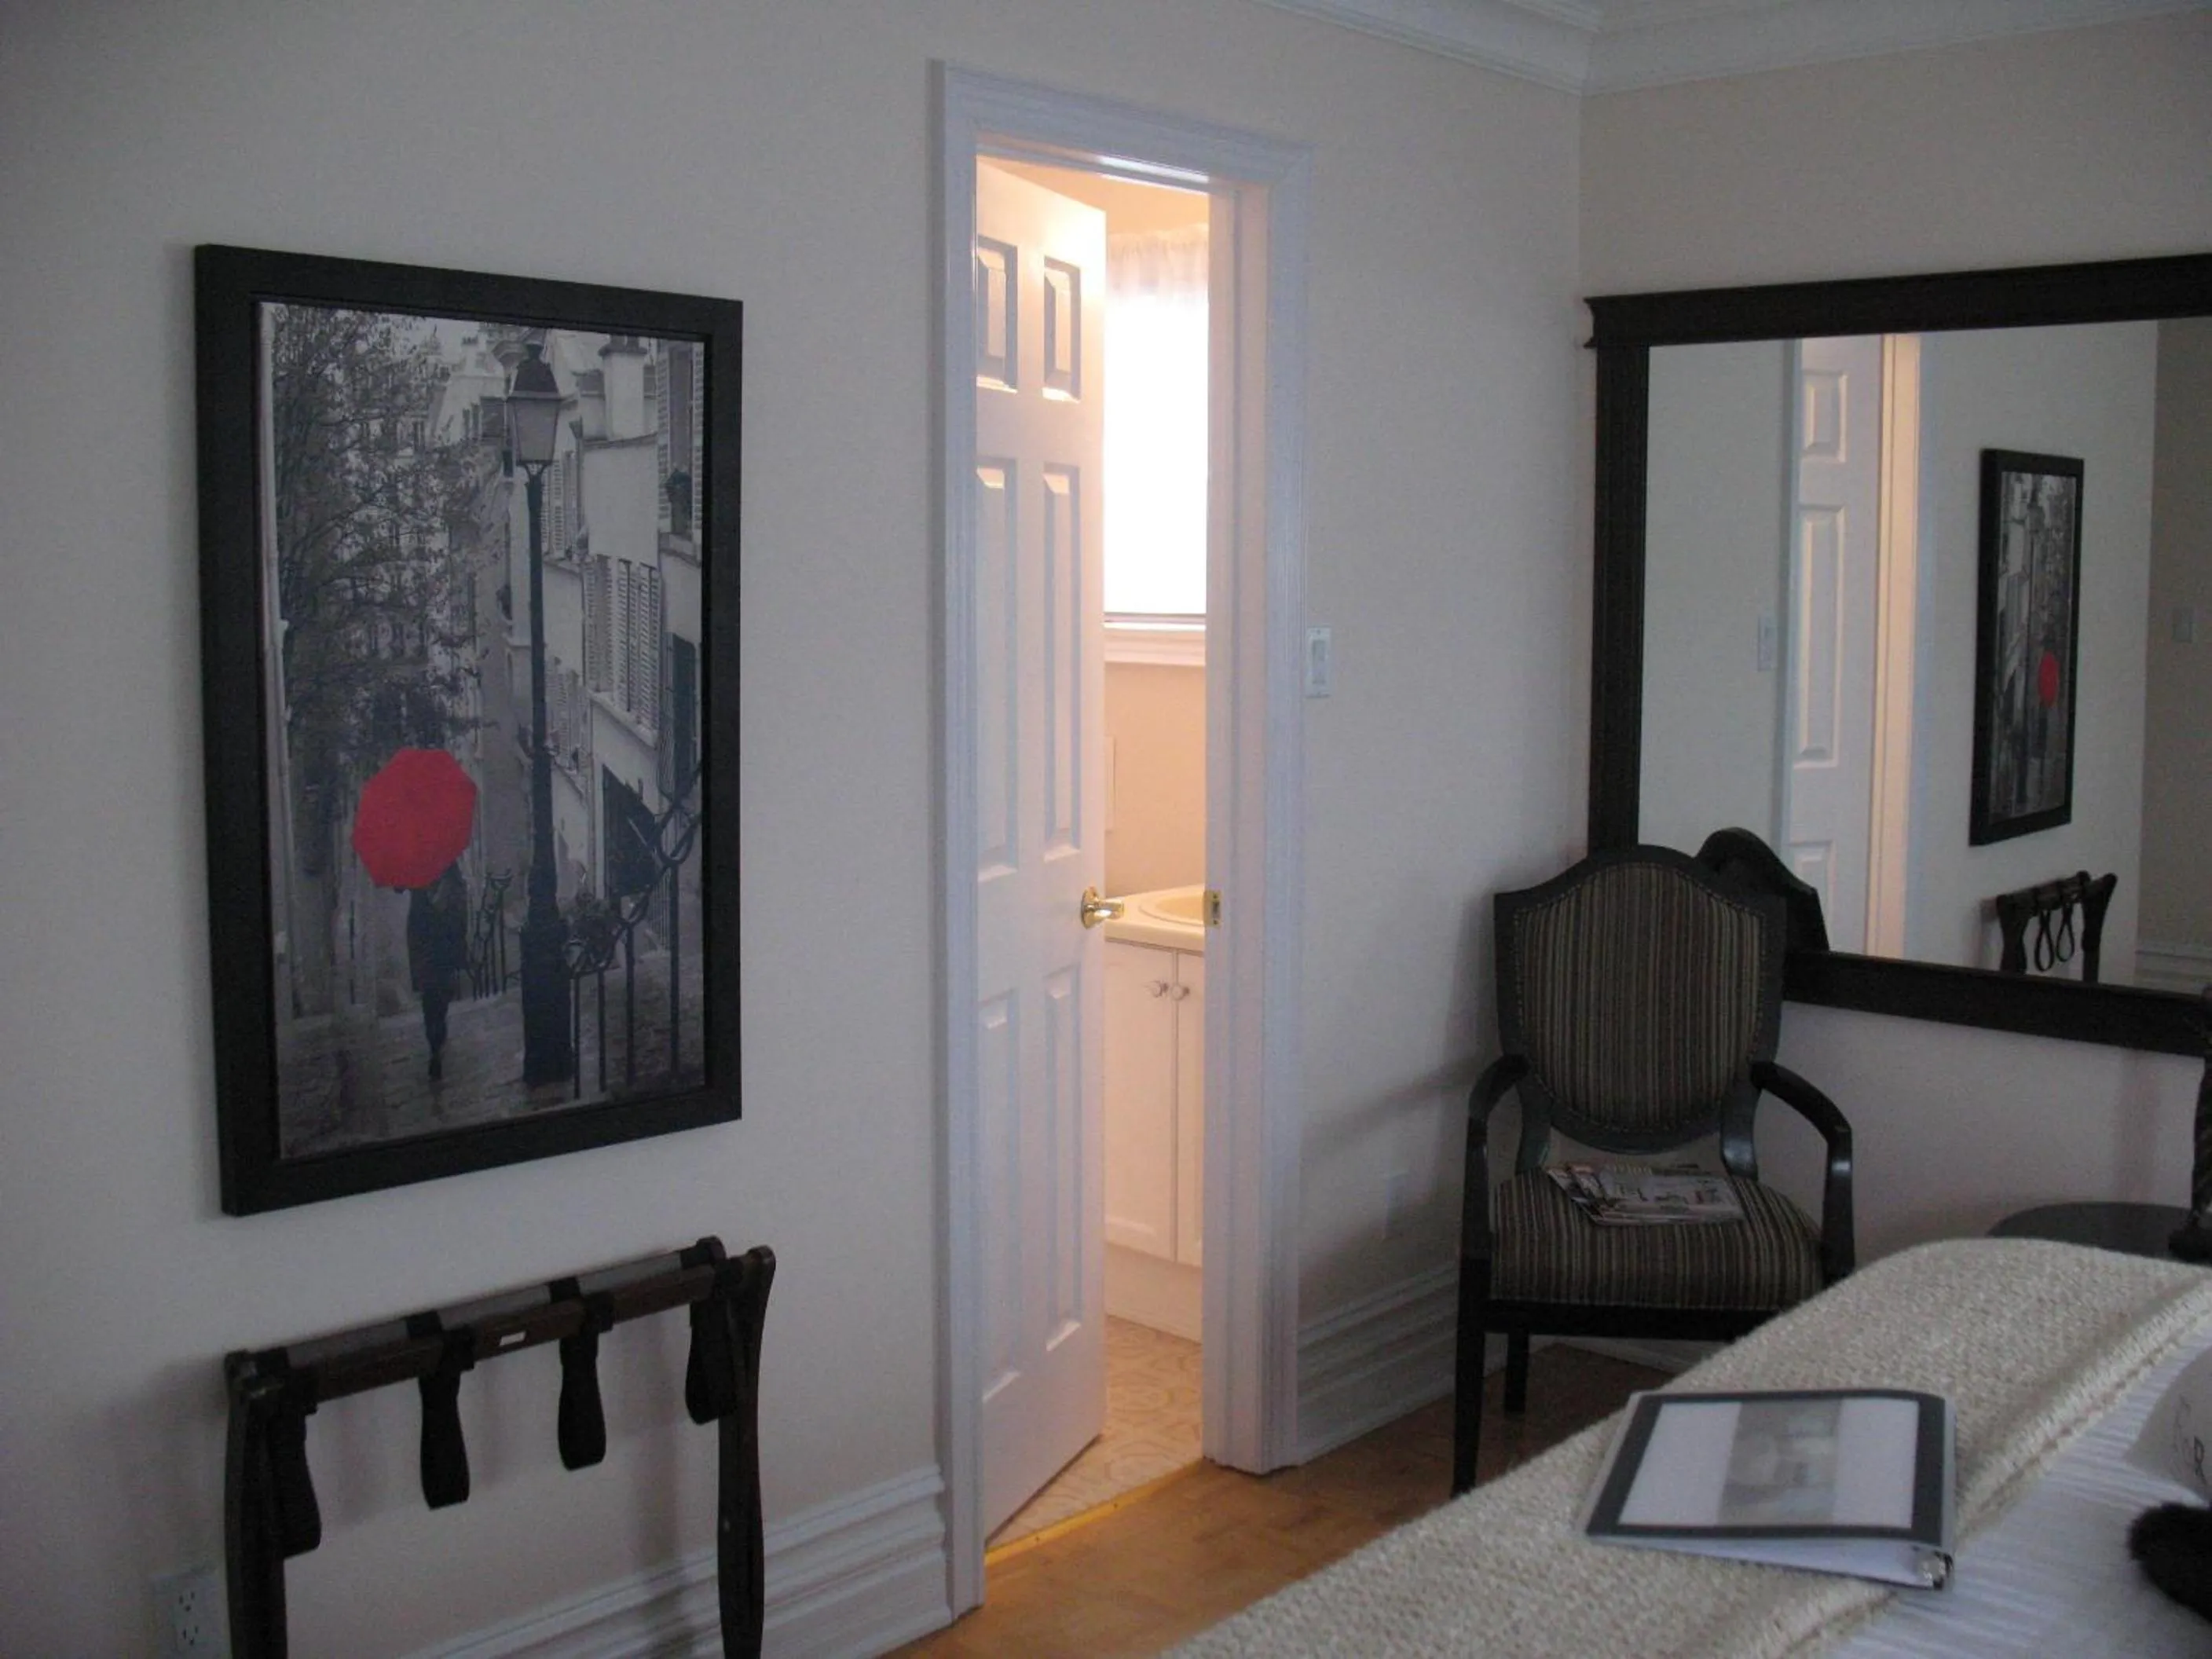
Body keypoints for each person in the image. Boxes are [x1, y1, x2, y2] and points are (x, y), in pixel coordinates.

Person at [407, 863, 471, 1081]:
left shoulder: (420, 860)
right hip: (437, 936)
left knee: (432, 993)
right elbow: (459, 901)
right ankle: (436, 1039)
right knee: (437, 992)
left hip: (427, 935)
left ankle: (435, 1041)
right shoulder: (446, 860)